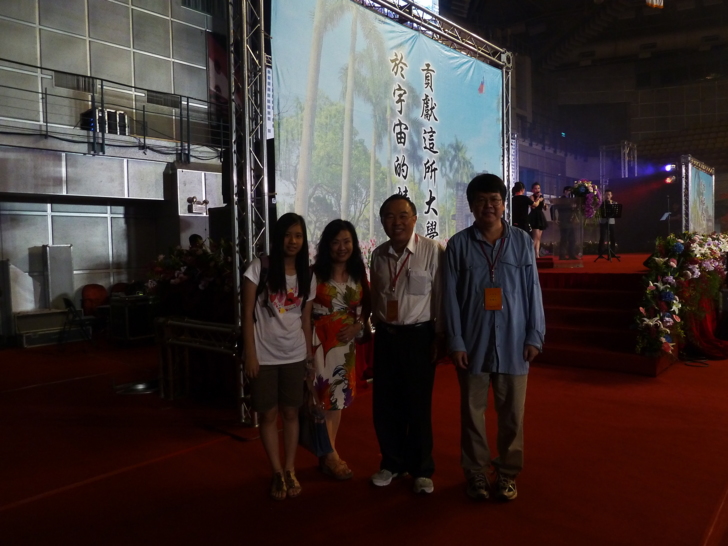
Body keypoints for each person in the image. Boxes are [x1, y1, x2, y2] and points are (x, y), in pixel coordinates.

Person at [444, 173, 545, 502]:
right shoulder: (458, 245)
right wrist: (455, 341)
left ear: (503, 204)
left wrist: (535, 334)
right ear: (472, 206)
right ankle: (475, 471)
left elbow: (532, 290)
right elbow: (450, 298)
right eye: (481, 200)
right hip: (473, 343)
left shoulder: (521, 242)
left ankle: (507, 473)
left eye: (495, 200)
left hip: (514, 342)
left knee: (512, 414)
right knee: (472, 414)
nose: (488, 206)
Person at [369, 194, 444, 495]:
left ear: (414, 218)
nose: (396, 222)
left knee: (418, 405)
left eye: (402, 215)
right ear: (382, 221)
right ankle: (392, 463)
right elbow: (377, 295)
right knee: (386, 404)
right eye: (389, 216)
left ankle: (422, 469)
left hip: (419, 337)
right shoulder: (379, 254)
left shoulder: (432, 250)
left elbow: (440, 296)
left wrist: (440, 336)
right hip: (386, 337)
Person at [242, 213, 316, 501]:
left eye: (298, 235)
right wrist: (251, 355)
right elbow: (247, 315)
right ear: (278, 237)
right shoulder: (259, 268)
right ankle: (276, 470)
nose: (293, 241)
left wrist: (308, 357)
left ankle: (290, 469)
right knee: (269, 414)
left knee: (291, 413)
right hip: (264, 356)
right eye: (287, 235)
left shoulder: (308, 274)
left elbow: (305, 320)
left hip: (294, 354)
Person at [311, 219, 371, 480]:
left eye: (347, 241)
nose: (342, 247)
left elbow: (368, 305)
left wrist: (358, 325)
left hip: (345, 348)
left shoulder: (358, 273)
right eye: (336, 242)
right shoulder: (314, 274)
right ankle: (330, 455)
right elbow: (303, 311)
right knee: (322, 401)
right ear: (327, 245)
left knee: (337, 401)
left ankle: (329, 452)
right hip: (319, 345)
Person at [551, 186, 578, 260]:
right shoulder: (561, 200)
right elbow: (552, 208)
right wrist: (554, 219)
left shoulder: (571, 200)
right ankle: (562, 255)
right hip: (563, 221)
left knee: (572, 239)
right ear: (565, 191)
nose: (570, 192)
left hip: (570, 221)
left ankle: (572, 254)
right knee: (564, 239)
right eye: (569, 191)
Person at [528, 182, 549, 257]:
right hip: (534, 217)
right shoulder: (531, 197)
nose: (537, 190)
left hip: (540, 216)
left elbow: (544, 208)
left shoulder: (541, 197)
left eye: (538, 188)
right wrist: (538, 199)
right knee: (535, 237)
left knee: (539, 238)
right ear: (532, 190)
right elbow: (533, 206)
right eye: (535, 188)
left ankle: (537, 254)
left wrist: (545, 205)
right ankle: (529, 254)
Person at [598, 190, 618, 258]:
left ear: (611, 195)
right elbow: (599, 212)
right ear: (604, 195)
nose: (607, 196)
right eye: (606, 194)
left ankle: (612, 253)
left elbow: (616, 212)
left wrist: (611, 204)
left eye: (609, 194)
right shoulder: (601, 203)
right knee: (602, 237)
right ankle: (600, 253)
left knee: (612, 237)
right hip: (603, 221)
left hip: (611, 222)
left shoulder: (614, 203)